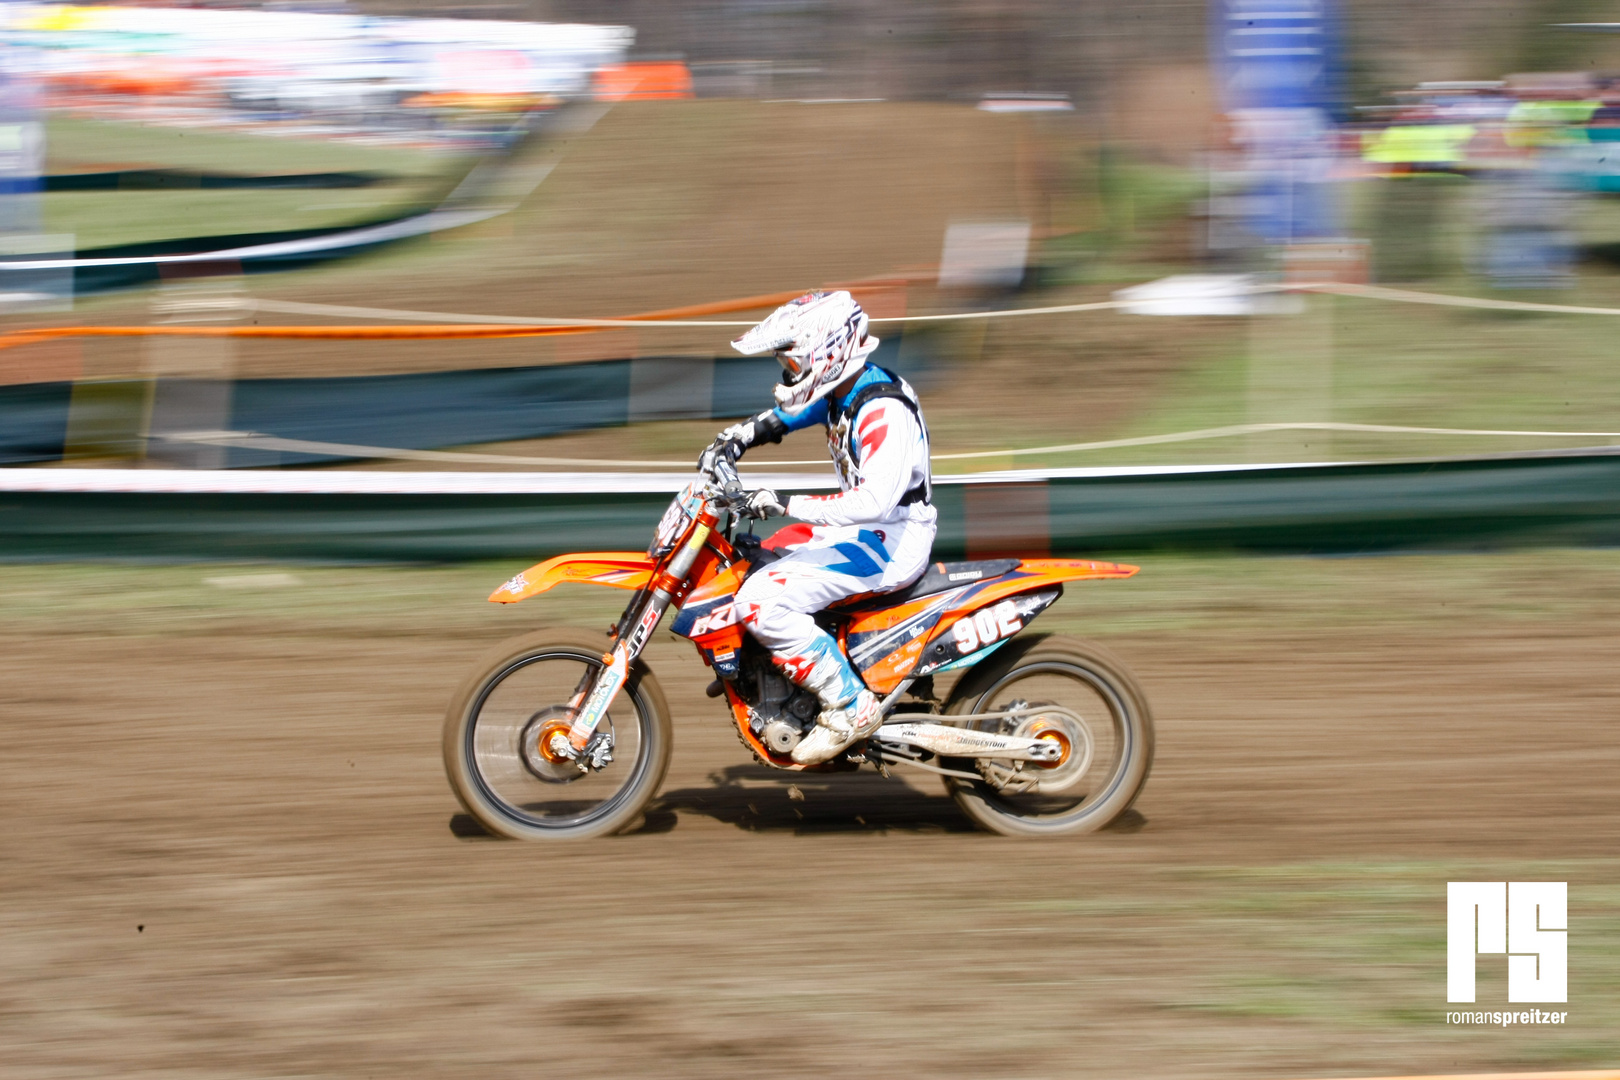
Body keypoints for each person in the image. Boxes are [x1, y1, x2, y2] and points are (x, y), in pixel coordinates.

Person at [699, 290, 935, 765]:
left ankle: (851, 706)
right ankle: (774, 673)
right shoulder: (845, 389)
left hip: (891, 538)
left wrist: (783, 502)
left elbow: (872, 502)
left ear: (827, 353)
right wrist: (739, 437)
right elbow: (795, 412)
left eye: (792, 361)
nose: (786, 371)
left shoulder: (881, 410)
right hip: (873, 532)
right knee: (752, 560)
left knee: (760, 601)